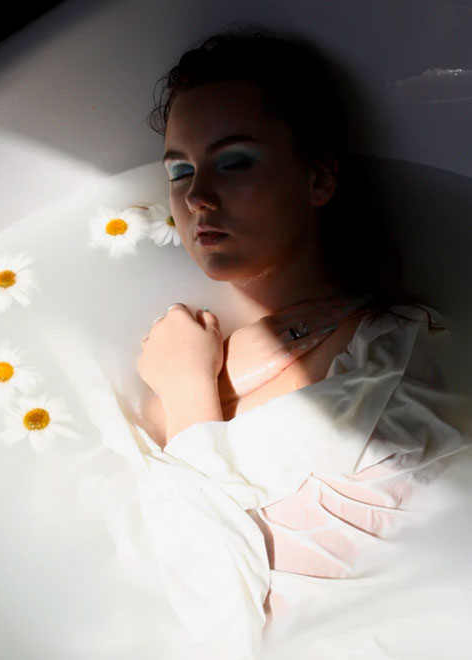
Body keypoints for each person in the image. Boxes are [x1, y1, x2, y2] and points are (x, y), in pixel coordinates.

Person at [125, 29, 471, 655]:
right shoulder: (188, 361)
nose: (197, 196)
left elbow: (225, 627)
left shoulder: (400, 358)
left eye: (234, 161)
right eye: (180, 169)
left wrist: (191, 389)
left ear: (319, 179)